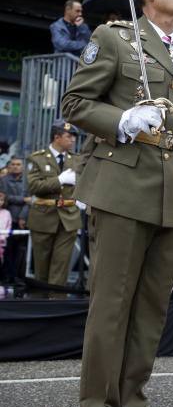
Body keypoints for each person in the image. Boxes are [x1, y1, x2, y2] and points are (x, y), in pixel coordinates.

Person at [61, 0, 173, 407]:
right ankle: (96, 403)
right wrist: (123, 118)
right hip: (123, 186)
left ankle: (132, 400)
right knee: (112, 306)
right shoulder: (115, 39)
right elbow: (74, 103)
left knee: (151, 311)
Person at [26, 120, 82, 286]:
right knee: (41, 266)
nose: (73, 140)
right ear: (56, 137)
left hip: (69, 217)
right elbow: (34, 186)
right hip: (44, 216)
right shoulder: (37, 158)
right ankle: (40, 304)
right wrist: (59, 180)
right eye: (69, 136)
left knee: (61, 266)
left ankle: (56, 301)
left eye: (74, 137)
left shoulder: (76, 160)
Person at [0, 157, 29, 283]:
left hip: (23, 220)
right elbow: (4, 199)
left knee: (21, 251)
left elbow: (31, 200)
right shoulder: (2, 181)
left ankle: (17, 277)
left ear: (23, 166)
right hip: (7, 219)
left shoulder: (28, 181)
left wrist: (23, 216)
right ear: (9, 166)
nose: (16, 166)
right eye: (13, 164)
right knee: (7, 250)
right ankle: (6, 276)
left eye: (18, 164)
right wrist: (22, 199)